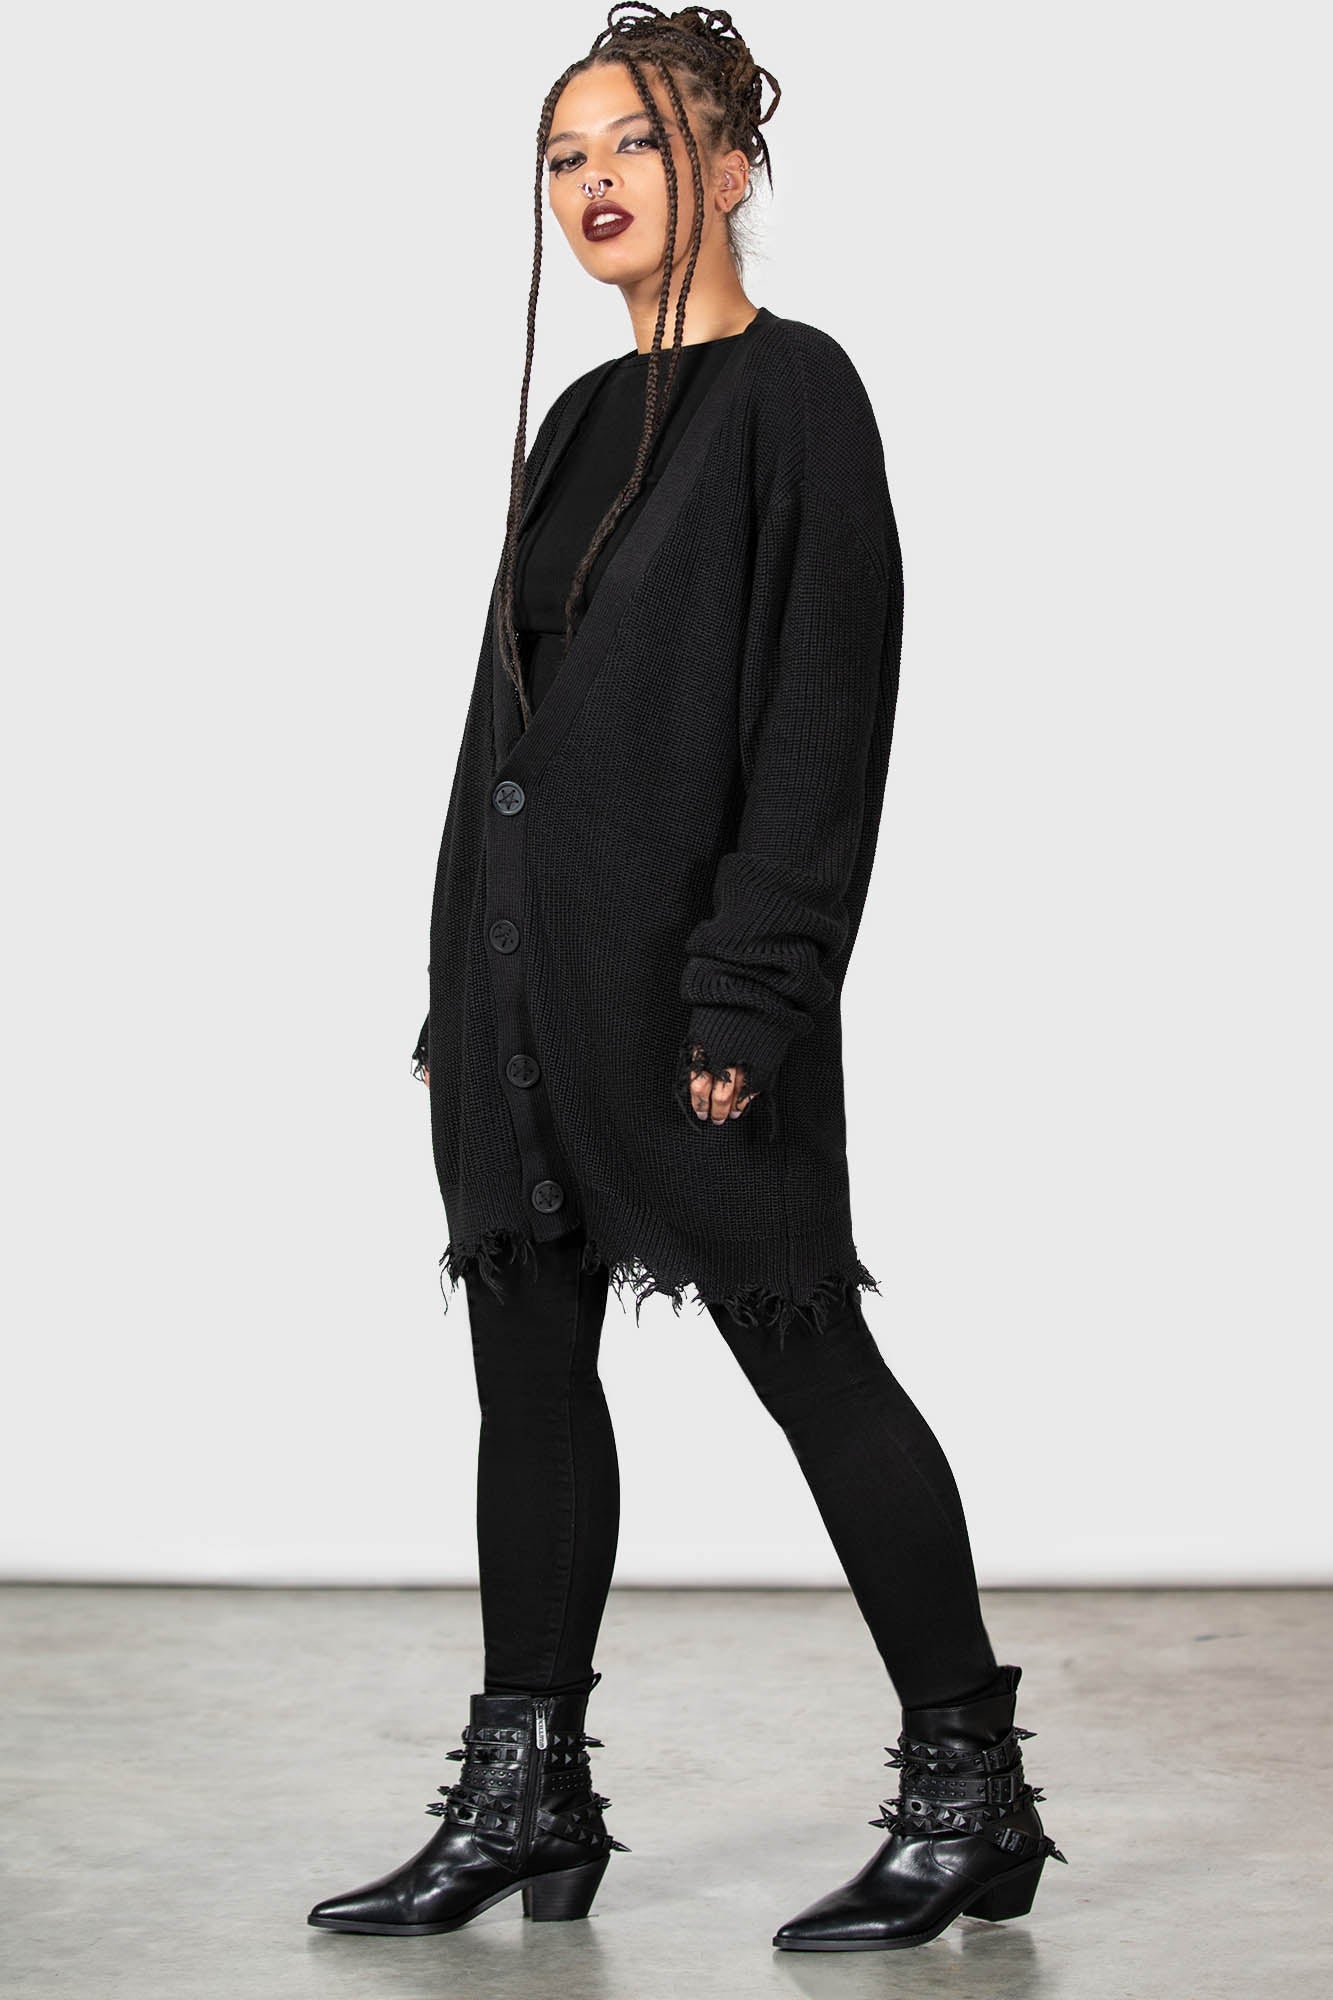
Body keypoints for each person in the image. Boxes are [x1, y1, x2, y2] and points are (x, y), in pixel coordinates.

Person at [307, 0, 1065, 1953]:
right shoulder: (573, 419)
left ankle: (970, 1795)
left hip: (691, 1002)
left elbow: (819, 722)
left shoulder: (794, 396)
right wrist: (453, 991)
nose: (593, 182)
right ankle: (525, 1799)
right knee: (526, 1380)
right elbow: (501, 729)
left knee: (810, 1360)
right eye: (562, 156)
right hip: (521, 997)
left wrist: (753, 991)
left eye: (632, 142)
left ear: (728, 163)